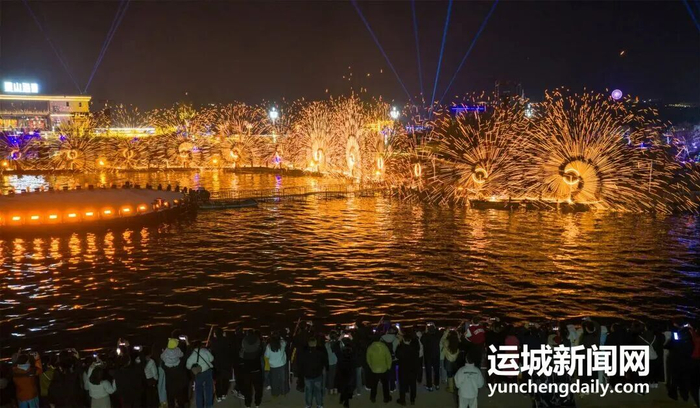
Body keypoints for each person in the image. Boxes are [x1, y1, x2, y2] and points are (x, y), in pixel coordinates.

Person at [297, 337, 329, 408]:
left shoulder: (304, 353)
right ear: (315, 344)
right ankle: (319, 404)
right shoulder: (320, 353)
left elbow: (301, 364)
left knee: (308, 391)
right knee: (318, 391)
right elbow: (325, 362)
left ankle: (308, 405)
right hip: (318, 375)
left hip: (307, 375)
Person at [239, 330, 264, 408]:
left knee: (247, 388)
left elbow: (240, 355)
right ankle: (257, 403)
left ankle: (248, 404)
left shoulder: (244, 351)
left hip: (247, 371)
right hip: (257, 369)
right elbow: (261, 351)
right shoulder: (258, 348)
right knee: (258, 388)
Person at [186, 341, 215, 408]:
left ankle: (199, 406)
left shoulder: (192, 355)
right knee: (209, 389)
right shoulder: (205, 351)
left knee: (198, 390)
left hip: (199, 374)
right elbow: (212, 359)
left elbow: (188, 366)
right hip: (208, 372)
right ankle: (209, 405)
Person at [161, 338, 187, 408]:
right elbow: (183, 355)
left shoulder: (164, 363)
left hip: (169, 385)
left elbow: (162, 357)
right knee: (181, 401)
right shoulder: (180, 362)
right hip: (179, 385)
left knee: (170, 402)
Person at [395, 329, 420, 406]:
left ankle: (402, 400)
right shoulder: (415, 349)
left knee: (402, 385)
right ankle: (412, 400)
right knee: (413, 384)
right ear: (410, 340)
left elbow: (397, 356)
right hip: (413, 369)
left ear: (403, 340)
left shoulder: (400, 348)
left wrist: (400, 344)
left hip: (403, 369)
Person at [366, 336, 392, 403]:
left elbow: (368, 359)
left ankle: (373, 397)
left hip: (374, 369)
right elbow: (388, 357)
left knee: (374, 385)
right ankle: (386, 398)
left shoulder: (370, 347)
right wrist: (388, 366)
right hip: (383, 369)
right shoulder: (384, 347)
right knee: (385, 385)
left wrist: (371, 366)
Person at [210, 328, 232, 402]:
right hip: (226, 363)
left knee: (218, 380)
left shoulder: (213, 341)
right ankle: (224, 394)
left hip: (217, 364)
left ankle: (219, 395)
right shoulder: (226, 340)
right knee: (225, 379)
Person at [264, 332, 289, 397]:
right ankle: (283, 391)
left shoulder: (269, 346)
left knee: (274, 380)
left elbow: (266, 356)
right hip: (282, 364)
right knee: (283, 379)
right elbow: (285, 341)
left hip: (273, 365)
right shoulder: (282, 343)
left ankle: (275, 393)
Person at [335, 336, 357, 408]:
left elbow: (336, 348)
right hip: (350, 373)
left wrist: (339, 339)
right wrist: (352, 339)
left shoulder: (340, 355)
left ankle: (342, 398)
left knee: (343, 387)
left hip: (341, 373)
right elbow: (356, 348)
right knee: (348, 388)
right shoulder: (352, 356)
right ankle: (346, 402)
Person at [421, 324, 441, 391]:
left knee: (428, 371)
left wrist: (425, 332)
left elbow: (422, 341)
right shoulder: (437, 336)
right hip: (436, 355)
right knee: (436, 370)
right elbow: (439, 332)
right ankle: (437, 384)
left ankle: (429, 386)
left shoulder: (425, 336)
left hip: (428, 356)